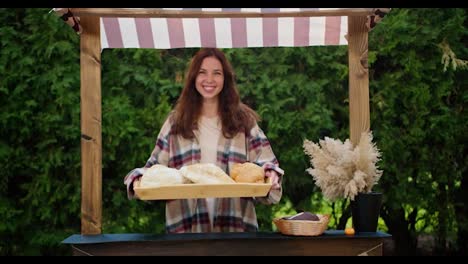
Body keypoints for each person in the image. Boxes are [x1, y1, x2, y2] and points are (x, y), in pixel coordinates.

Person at [124, 48, 284, 233]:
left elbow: (267, 164)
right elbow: (153, 169)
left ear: (226, 79)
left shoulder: (244, 122)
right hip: (186, 230)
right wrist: (137, 179)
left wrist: (271, 175)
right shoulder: (175, 123)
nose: (209, 79)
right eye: (202, 72)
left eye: (217, 73)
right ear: (193, 78)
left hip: (234, 228)